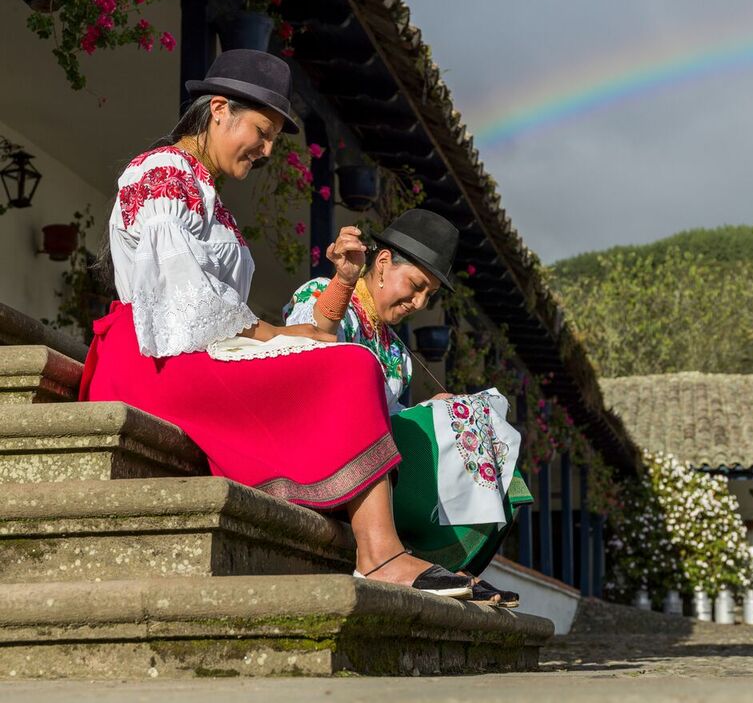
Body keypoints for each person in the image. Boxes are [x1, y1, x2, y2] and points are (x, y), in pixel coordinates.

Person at [79, 49, 472, 599]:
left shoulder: (204, 191)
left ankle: (387, 547)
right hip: (153, 359)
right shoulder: (161, 171)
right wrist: (277, 334)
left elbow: (209, 303)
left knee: (349, 364)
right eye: (262, 132)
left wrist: (282, 335)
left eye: (272, 140)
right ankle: (379, 552)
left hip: (190, 352)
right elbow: (182, 295)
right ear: (219, 109)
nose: (266, 150)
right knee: (350, 364)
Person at [285, 209, 533, 606]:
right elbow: (308, 351)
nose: (418, 302)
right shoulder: (326, 293)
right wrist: (342, 282)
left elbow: (388, 415)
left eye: (428, 296)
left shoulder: (397, 352)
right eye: (416, 285)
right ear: (383, 264)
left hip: (376, 466)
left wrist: (428, 411)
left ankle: (452, 564)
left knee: (480, 429)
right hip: (320, 451)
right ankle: (389, 557)